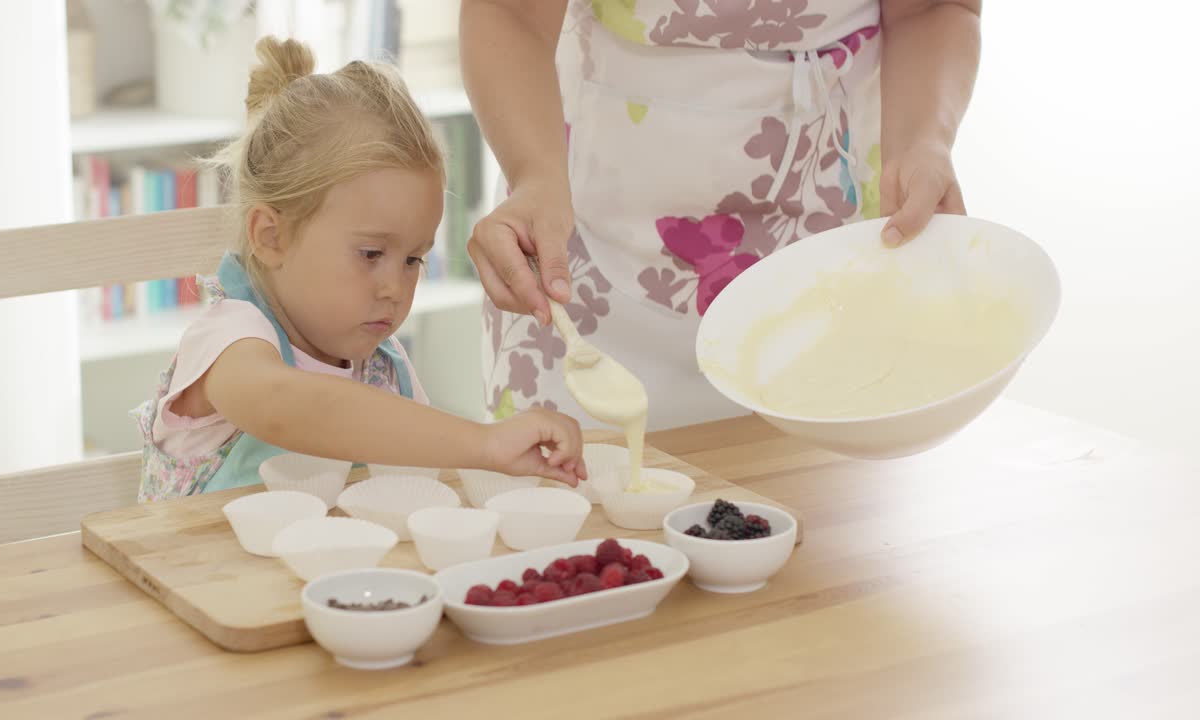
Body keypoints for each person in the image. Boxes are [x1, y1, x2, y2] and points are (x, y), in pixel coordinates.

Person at [462, 0, 980, 430]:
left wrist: (923, 143)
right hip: (586, 265)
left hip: (835, 264)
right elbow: (510, 13)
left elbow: (933, 8)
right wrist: (534, 175)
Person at [135, 36, 586, 502]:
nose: (395, 287)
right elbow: (288, 408)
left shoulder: (383, 363)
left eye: (413, 259)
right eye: (371, 254)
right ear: (271, 237)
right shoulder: (229, 339)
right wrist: (484, 442)